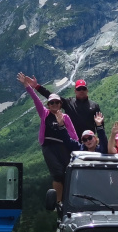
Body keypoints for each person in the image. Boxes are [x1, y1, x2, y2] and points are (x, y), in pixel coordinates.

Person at [19, 73, 78, 204]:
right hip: (49, 147)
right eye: (52, 102)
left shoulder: (65, 117)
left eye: (57, 102)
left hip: (64, 147)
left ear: (60, 104)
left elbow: (73, 134)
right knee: (57, 173)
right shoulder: (44, 114)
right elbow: (36, 100)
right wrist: (28, 86)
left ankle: (67, 201)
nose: (54, 104)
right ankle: (58, 202)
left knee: (67, 173)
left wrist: (77, 148)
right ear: (48, 104)